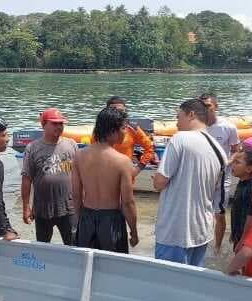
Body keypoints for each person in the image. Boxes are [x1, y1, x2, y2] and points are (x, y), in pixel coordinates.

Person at [153, 99, 227, 267]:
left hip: (175, 231)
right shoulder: (219, 149)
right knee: (190, 286)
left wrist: (157, 179)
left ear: (191, 114)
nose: (176, 122)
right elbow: (216, 191)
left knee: (168, 288)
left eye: (178, 117)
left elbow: (160, 182)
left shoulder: (180, 139)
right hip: (202, 230)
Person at [72, 107, 139, 253]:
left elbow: (76, 195)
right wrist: (133, 231)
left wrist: (79, 223)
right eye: (123, 128)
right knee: (113, 269)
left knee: (87, 268)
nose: (125, 132)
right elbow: (128, 202)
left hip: (86, 218)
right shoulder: (122, 161)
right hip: (111, 221)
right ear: (113, 130)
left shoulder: (79, 156)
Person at [21, 108, 78, 245]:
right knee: (42, 247)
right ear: (43, 125)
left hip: (69, 208)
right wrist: (26, 207)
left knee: (74, 247)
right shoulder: (32, 148)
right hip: (42, 210)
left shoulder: (71, 145)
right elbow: (27, 179)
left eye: (61, 123)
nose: (59, 127)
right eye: (54, 123)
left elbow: (80, 175)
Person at [200, 94, 239, 256]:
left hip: (222, 176)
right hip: (201, 175)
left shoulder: (228, 127)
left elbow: (237, 151)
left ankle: (217, 247)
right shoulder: (197, 126)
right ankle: (200, 241)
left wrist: (225, 164)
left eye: (208, 106)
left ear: (216, 106)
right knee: (199, 210)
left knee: (219, 213)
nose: (205, 109)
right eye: (202, 106)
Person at [105, 96, 156, 176]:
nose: (118, 114)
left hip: (125, 176)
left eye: (121, 111)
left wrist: (138, 168)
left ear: (125, 112)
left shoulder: (133, 129)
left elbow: (150, 148)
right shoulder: (100, 130)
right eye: (114, 111)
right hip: (105, 176)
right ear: (107, 112)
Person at [227, 148, 252, 251]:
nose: (233, 165)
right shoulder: (241, 184)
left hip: (247, 239)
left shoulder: (251, 189)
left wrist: (242, 240)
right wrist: (234, 234)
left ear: (249, 169)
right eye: (233, 162)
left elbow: (251, 217)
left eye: (237, 163)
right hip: (239, 235)